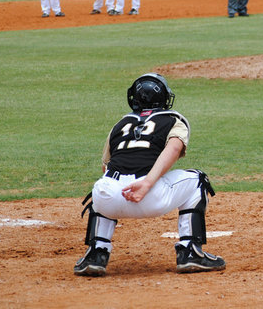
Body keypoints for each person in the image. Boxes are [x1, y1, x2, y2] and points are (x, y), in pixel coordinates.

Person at [74, 73, 226, 276]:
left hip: (107, 199)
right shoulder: (174, 119)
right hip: (150, 197)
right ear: (165, 98)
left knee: (103, 184)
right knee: (198, 179)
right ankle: (190, 252)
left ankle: (96, 253)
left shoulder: (120, 124)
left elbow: (106, 167)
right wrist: (146, 183)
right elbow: (172, 150)